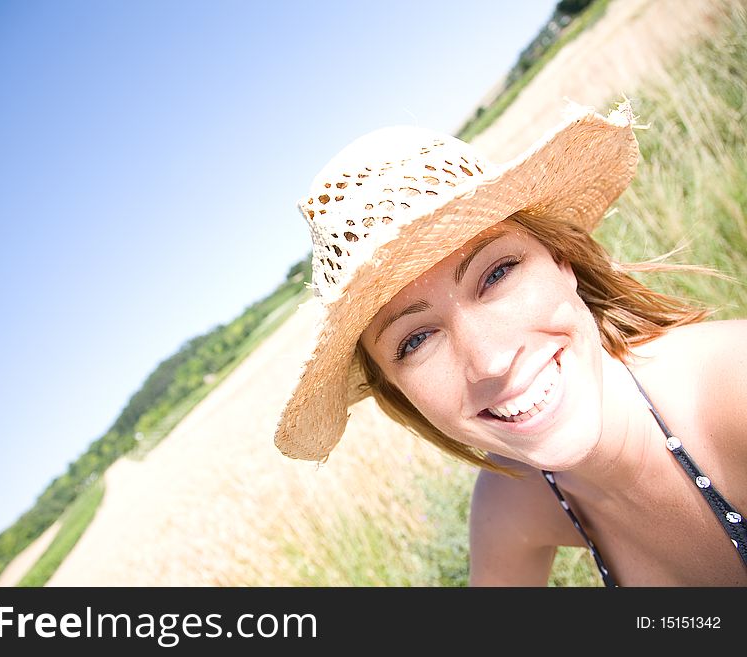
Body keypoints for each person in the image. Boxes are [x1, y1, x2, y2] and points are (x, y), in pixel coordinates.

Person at [273, 101, 747, 586]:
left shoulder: (736, 394)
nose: (492, 361)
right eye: (416, 340)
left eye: (496, 274)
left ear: (563, 261)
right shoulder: (512, 503)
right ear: (398, 391)